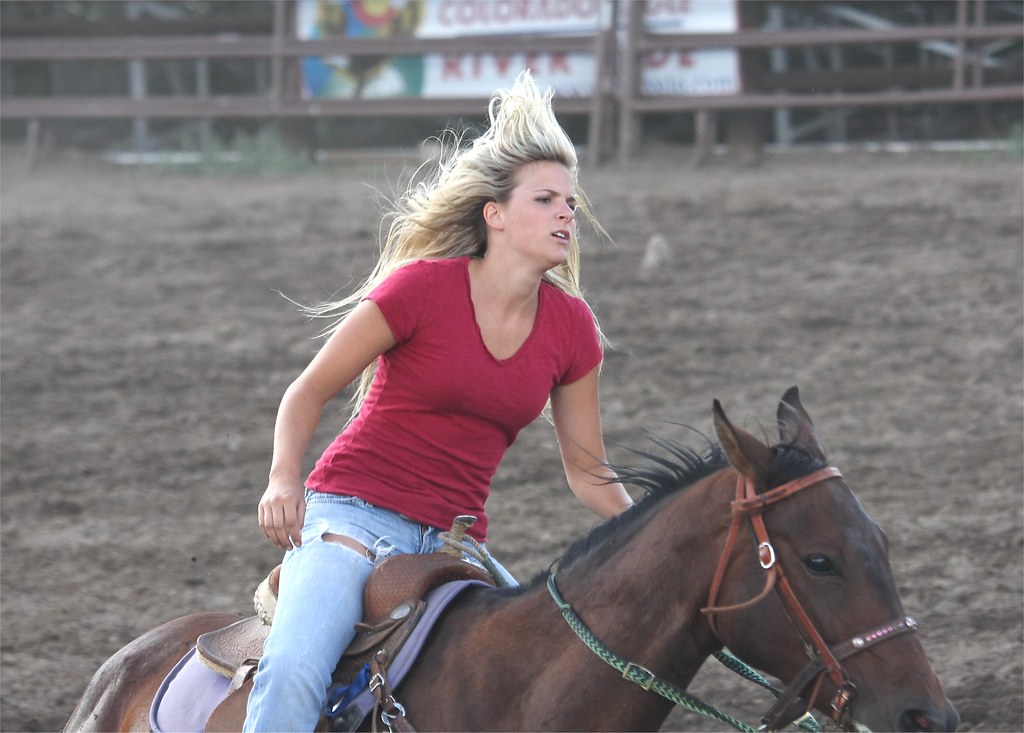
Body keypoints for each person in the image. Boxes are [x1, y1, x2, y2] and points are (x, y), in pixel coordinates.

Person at [244, 71, 634, 732]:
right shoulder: (420, 288)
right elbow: (308, 390)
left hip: (454, 544)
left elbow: (590, 474)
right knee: (293, 670)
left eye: (571, 200)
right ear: (496, 214)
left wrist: (655, 528)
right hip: (352, 519)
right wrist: (283, 479)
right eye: (546, 199)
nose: (568, 212)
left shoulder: (573, 329)